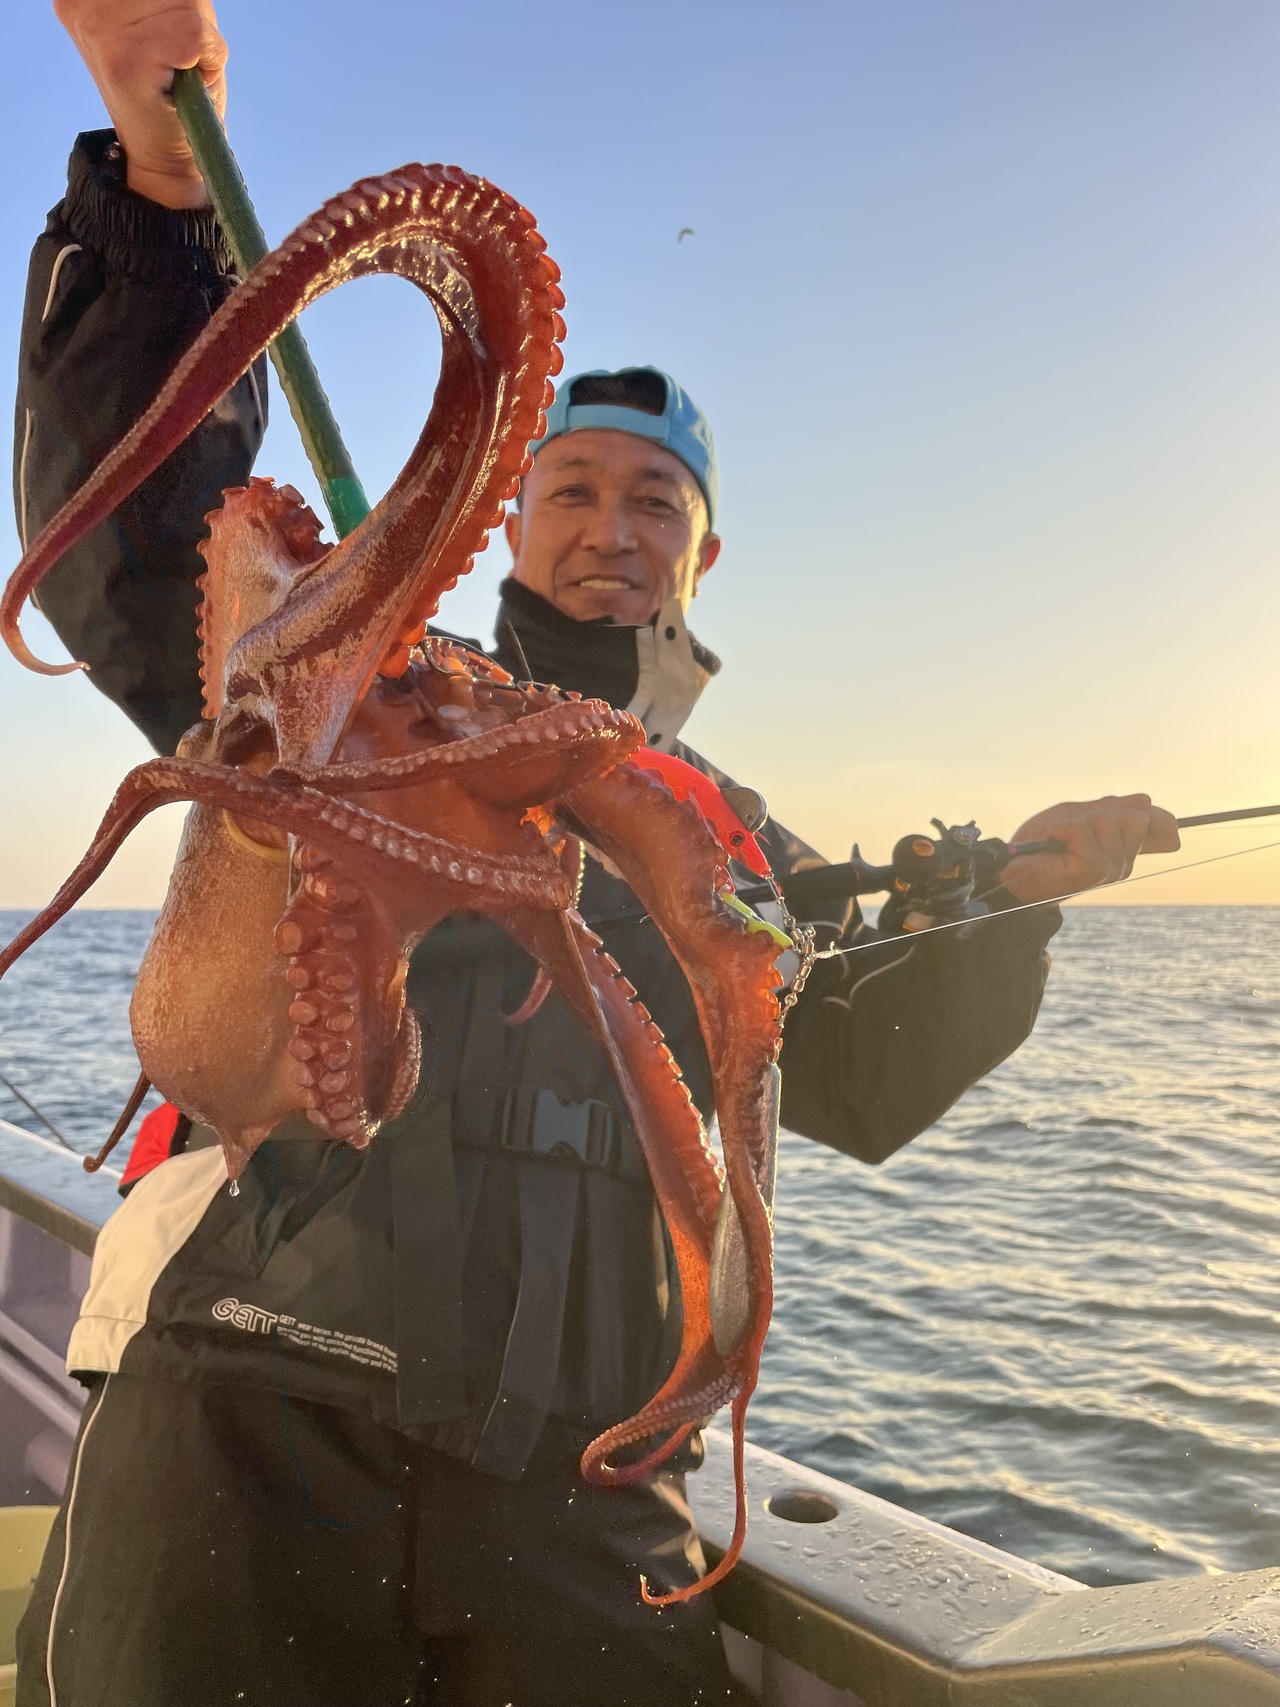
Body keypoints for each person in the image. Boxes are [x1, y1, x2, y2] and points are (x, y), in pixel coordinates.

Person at [10, 5, 1179, 1703]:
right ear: (514, 517)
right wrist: (160, 195)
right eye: (570, 489)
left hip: (578, 1488)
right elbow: (138, 558)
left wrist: (1008, 905)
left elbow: (856, 1070)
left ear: (704, 553)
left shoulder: (723, 834)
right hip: (244, 1413)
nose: (609, 527)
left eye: (654, 501)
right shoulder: (348, 682)